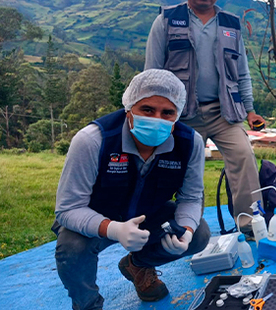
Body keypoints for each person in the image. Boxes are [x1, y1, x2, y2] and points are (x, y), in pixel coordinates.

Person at [52, 69, 210, 310]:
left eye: (167, 112)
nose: (157, 118)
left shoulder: (190, 144)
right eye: (147, 110)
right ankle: (88, 305)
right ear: (129, 109)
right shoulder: (93, 140)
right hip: (97, 218)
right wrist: (113, 229)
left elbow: (191, 197)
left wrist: (186, 231)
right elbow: (68, 209)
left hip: (150, 213)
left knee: (199, 236)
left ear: (177, 114)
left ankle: (137, 265)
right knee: (72, 248)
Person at [144, 0, 266, 232]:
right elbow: (151, 74)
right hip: (183, 116)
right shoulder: (166, 21)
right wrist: (156, 116)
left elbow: (242, 73)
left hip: (224, 113)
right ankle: (187, 229)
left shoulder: (230, 25)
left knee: (244, 156)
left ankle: (249, 225)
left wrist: (250, 110)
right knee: (187, 171)